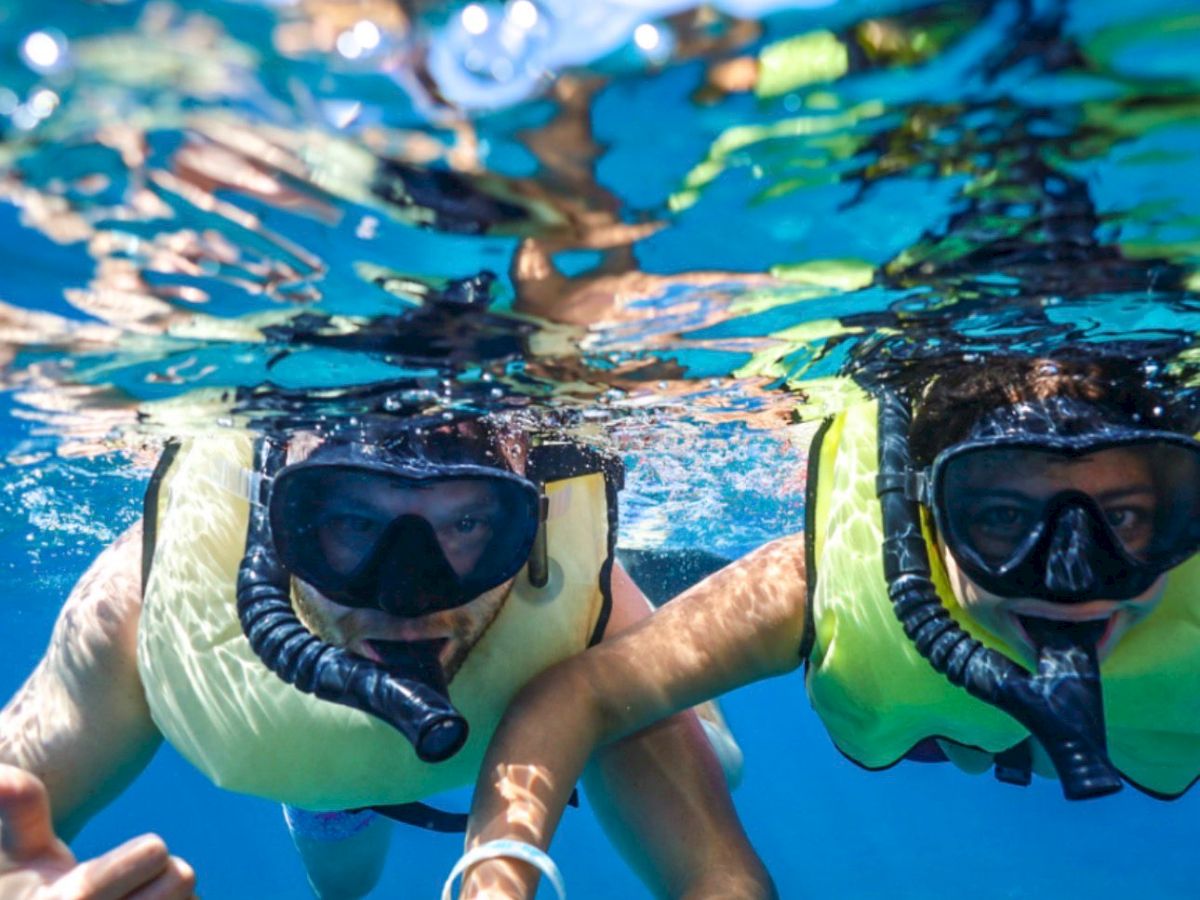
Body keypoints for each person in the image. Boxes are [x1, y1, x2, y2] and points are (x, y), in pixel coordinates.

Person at [452, 355, 1200, 898]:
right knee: (956, 739)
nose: (1071, 579)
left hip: (987, 711)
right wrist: (499, 880)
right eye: (1004, 519)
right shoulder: (824, 580)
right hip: (935, 712)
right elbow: (581, 692)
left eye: (1124, 518)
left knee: (979, 742)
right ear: (925, 513)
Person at [0, 408, 772, 899]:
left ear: (526, 526)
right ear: (277, 521)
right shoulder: (146, 602)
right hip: (301, 739)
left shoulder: (574, 607)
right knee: (343, 886)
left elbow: (712, 876)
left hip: (558, 646)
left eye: (467, 525)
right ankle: (332, 789)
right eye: (354, 525)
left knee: (725, 763)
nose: (408, 598)